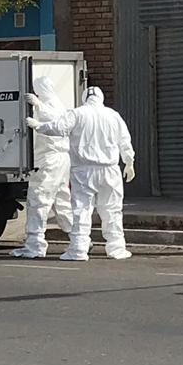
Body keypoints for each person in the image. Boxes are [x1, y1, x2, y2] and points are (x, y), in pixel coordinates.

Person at [28, 86, 136, 262]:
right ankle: (116, 248)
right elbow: (125, 141)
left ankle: (78, 250)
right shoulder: (113, 115)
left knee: (82, 210)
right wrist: (129, 162)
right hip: (110, 170)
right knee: (112, 210)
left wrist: (38, 126)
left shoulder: (77, 114)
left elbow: (58, 128)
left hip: (84, 171)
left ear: (84, 98)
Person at [12, 76, 73, 259]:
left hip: (50, 160)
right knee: (62, 202)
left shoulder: (50, 105)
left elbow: (53, 123)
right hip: (60, 160)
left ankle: (35, 244)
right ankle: (80, 238)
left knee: (38, 200)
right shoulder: (57, 103)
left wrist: (38, 107)